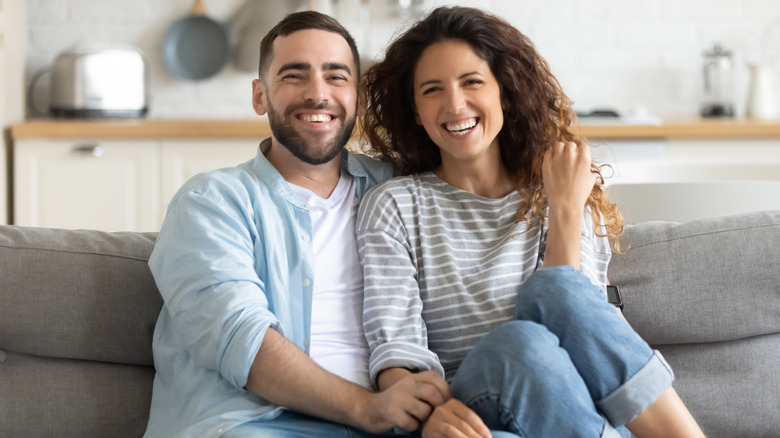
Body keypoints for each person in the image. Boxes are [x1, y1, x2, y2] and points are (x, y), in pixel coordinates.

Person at [357, 6, 705, 438]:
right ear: (414, 111)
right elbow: (397, 352)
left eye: (472, 82)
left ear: (504, 92)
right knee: (518, 345)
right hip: (464, 410)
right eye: (432, 90)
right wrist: (427, 417)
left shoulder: (563, 189)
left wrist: (563, 209)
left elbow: (583, 329)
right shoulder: (394, 205)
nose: (454, 103)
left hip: (568, 412)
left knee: (548, 309)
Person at [144, 11, 450, 438]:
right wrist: (369, 408)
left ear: (358, 97)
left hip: (393, 424)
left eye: (336, 76)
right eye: (294, 75)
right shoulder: (211, 202)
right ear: (259, 96)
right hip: (256, 425)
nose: (317, 94)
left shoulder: (399, 190)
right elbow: (241, 340)